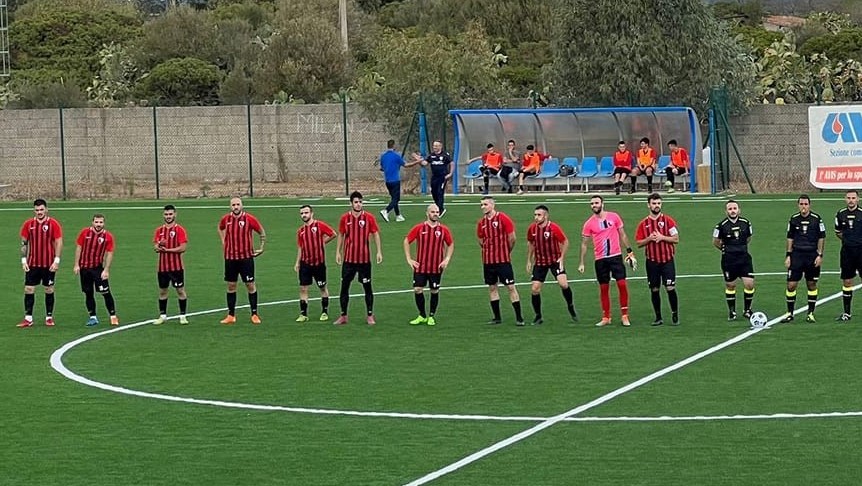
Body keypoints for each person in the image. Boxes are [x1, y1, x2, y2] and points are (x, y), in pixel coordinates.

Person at [578, 195, 635, 327]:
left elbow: (623, 234)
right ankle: (606, 317)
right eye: (592, 204)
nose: (594, 205)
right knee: (604, 288)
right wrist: (582, 262)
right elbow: (584, 244)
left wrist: (629, 250)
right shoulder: (589, 224)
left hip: (615, 256)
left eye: (596, 203)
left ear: (602, 203)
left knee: (622, 284)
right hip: (600, 259)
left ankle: (625, 315)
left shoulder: (614, 217)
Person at [335, 191, 383, 325]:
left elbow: (375, 234)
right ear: (351, 203)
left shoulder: (369, 218)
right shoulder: (345, 218)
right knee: (344, 287)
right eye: (356, 202)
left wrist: (379, 251)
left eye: (360, 202)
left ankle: (370, 315)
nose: (358, 204)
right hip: (349, 260)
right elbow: (341, 235)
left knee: (367, 287)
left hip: (364, 261)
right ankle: (343, 316)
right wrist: (338, 252)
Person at [526, 205, 578, 324]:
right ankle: (538, 316)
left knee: (564, 284)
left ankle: (570, 306)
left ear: (545, 216)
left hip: (555, 261)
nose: (536, 217)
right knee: (535, 289)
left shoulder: (554, 228)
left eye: (539, 215)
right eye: (535, 215)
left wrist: (562, 258)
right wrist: (529, 260)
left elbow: (565, 242)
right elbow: (531, 243)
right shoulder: (532, 229)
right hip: (540, 262)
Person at [404, 203, 454, 326]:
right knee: (417, 289)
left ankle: (431, 316)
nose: (435, 214)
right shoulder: (419, 228)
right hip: (420, 266)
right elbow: (406, 240)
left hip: (436, 267)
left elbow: (450, 244)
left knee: (434, 290)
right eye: (433, 212)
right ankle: (422, 315)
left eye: (437, 212)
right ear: (427, 213)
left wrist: (447, 258)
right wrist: (409, 259)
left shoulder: (443, 230)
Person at [218, 197, 266, 325]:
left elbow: (261, 232)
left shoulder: (249, 219)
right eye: (233, 205)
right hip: (230, 258)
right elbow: (220, 228)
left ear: (242, 206)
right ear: (230, 207)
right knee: (231, 286)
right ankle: (231, 315)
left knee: (250, 285)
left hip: (246, 258)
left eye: (238, 204)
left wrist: (261, 248)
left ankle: (254, 314)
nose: (236, 207)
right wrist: (224, 242)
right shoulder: (226, 219)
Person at [634, 193, 680, 326]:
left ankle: (674, 313)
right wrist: (649, 239)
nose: (656, 206)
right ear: (648, 205)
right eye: (654, 203)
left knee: (670, 287)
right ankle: (658, 317)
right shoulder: (643, 224)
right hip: (652, 261)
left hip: (667, 260)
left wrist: (662, 237)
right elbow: (638, 243)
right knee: (654, 289)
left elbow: (676, 239)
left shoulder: (668, 221)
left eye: (658, 203)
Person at [477, 196, 524, 325]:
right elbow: (481, 240)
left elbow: (512, 238)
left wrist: (506, 250)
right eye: (481, 205)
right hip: (488, 261)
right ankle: (497, 318)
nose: (483, 207)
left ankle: (519, 318)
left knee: (510, 287)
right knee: (492, 288)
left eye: (485, 204)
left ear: (492, 205)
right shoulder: (482, 223)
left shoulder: (503, 218)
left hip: (503, 261)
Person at [18, 198, 63, 328]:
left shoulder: (53, 224)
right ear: (34, 210)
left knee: (49, 289)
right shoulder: (28, 224)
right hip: (33, 263)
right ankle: (28, 318)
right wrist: (23, 260)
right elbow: (24, 243)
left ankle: (49, 317)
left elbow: (59, 242)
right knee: (29, 289)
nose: (39, 212)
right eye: (37, 210)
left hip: (49, 264)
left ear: (46, 210)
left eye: (41, 209)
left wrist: (56, 260)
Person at [780, 194, 825, 323]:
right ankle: (789, 313)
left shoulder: (817, 219)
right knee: (791, 285)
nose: (803, 206)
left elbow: (822, 237)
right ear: (798, 205)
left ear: (809, 205)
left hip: (811, 255)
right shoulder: (793, 219)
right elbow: (790, 238)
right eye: (801, 204)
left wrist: (820, 255)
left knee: (811, 284)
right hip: (796, 255)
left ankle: (811, 313)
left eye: (806, 204)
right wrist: (788, 255)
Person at [73, 213, 119, 327]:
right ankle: (93, 317)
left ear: (104, 223)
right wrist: (76, 265)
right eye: (96, 222)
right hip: (84, 269)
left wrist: (106, 270)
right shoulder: (85, 233)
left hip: (97, 269)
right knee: (88, 293)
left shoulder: (108, 236)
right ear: (92, 222)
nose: (98, 224)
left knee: (105, 292)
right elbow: (79, 248)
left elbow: (110, 253)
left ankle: (113, 316)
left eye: (101, 222)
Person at [713, 199, 755, 321]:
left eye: (734, 208)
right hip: (728, 260)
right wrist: (726, 249)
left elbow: (748, 238)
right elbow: (715, 241)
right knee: (730, 285)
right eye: (730, 209)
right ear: (726, 211)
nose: (733, 211)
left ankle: (747, 310)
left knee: (749, 284)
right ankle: (732, 311)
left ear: (739, 210)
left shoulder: (746, 223)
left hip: (744, 259)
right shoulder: (721, 226)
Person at [294, 205, 336, 322]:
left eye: (306, 213)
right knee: (303, 288)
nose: (304, 215)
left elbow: (333, 234)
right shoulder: (300, 231)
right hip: (305, 264)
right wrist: (297, 262)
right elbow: (300, 247)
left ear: (312, 213)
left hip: (319, 263)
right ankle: (303, 314)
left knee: (322, 287)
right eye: (302, 213)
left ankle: (324, 312)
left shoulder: (319, 225)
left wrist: (322, 242)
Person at [153, 204, 189, 325]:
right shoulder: (159, 231)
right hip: (162, 268)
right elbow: (155, 247)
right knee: (163, 291)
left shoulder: (180, 230)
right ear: (163, 215)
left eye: (170, 214)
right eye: (166, 214)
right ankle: (163, 316)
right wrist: (159, 246)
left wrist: (167, 250)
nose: (168, 216)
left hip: (176, 267)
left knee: (180, 290)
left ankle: (183, 315)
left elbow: (183, 248)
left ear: (175, 214)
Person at [834, 190, 862, 321]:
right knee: (847, 281)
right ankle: (847, 313)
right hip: (847, 252)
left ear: (858, 199)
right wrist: (848, 241)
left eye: (853, 198)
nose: (851, 200)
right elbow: (838, 232)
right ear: (845, 199)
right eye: (849, 198)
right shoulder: (840, 214)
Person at [379, 139, 419, 223]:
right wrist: (417, 161)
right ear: (394, 145)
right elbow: (406, 165)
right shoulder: (396, 155)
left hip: (387, 181)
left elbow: (382, 168)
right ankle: (386, 211)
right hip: (395, 180)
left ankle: (398, 215)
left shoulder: (383, 156)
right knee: (396, 199)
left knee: (394, 198)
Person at [415, 140, 454, 217]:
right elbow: (424, 163)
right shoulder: (431, 155)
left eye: (436, 146)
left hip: (442, 177)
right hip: (434, 177)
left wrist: (450, 173)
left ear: (440, 146)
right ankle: (438, 206)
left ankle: (440, 209)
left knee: (440, 192)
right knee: (434, 192)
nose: (434, 147)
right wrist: (418, 160)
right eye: (434, 146)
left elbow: (452, 163)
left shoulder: (445, 155)